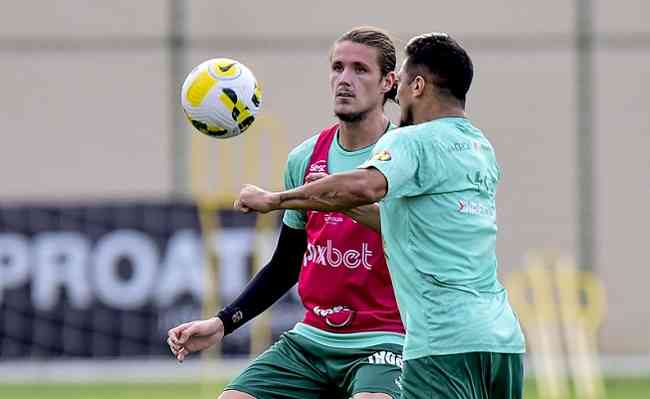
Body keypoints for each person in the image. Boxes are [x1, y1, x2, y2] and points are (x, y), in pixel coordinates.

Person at [236, 33, 526, 399]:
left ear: (417, 86)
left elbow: (363, 187)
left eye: (402, 82)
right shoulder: (478, 147)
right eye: (338, 68)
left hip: (442, 340)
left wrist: (276, 199)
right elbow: (397, 221)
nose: (398, 95)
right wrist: (324, 195)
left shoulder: (411, 141)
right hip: (500, 340)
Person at [168, 26, 406, 399]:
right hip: (312, 340)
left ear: (388, 83)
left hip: (387, 339)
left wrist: (283, 198)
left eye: (360, 70)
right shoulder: (305, 157)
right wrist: (222, 322)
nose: (345, 79)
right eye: (338, 67)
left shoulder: (407, 154)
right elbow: (286, 264)